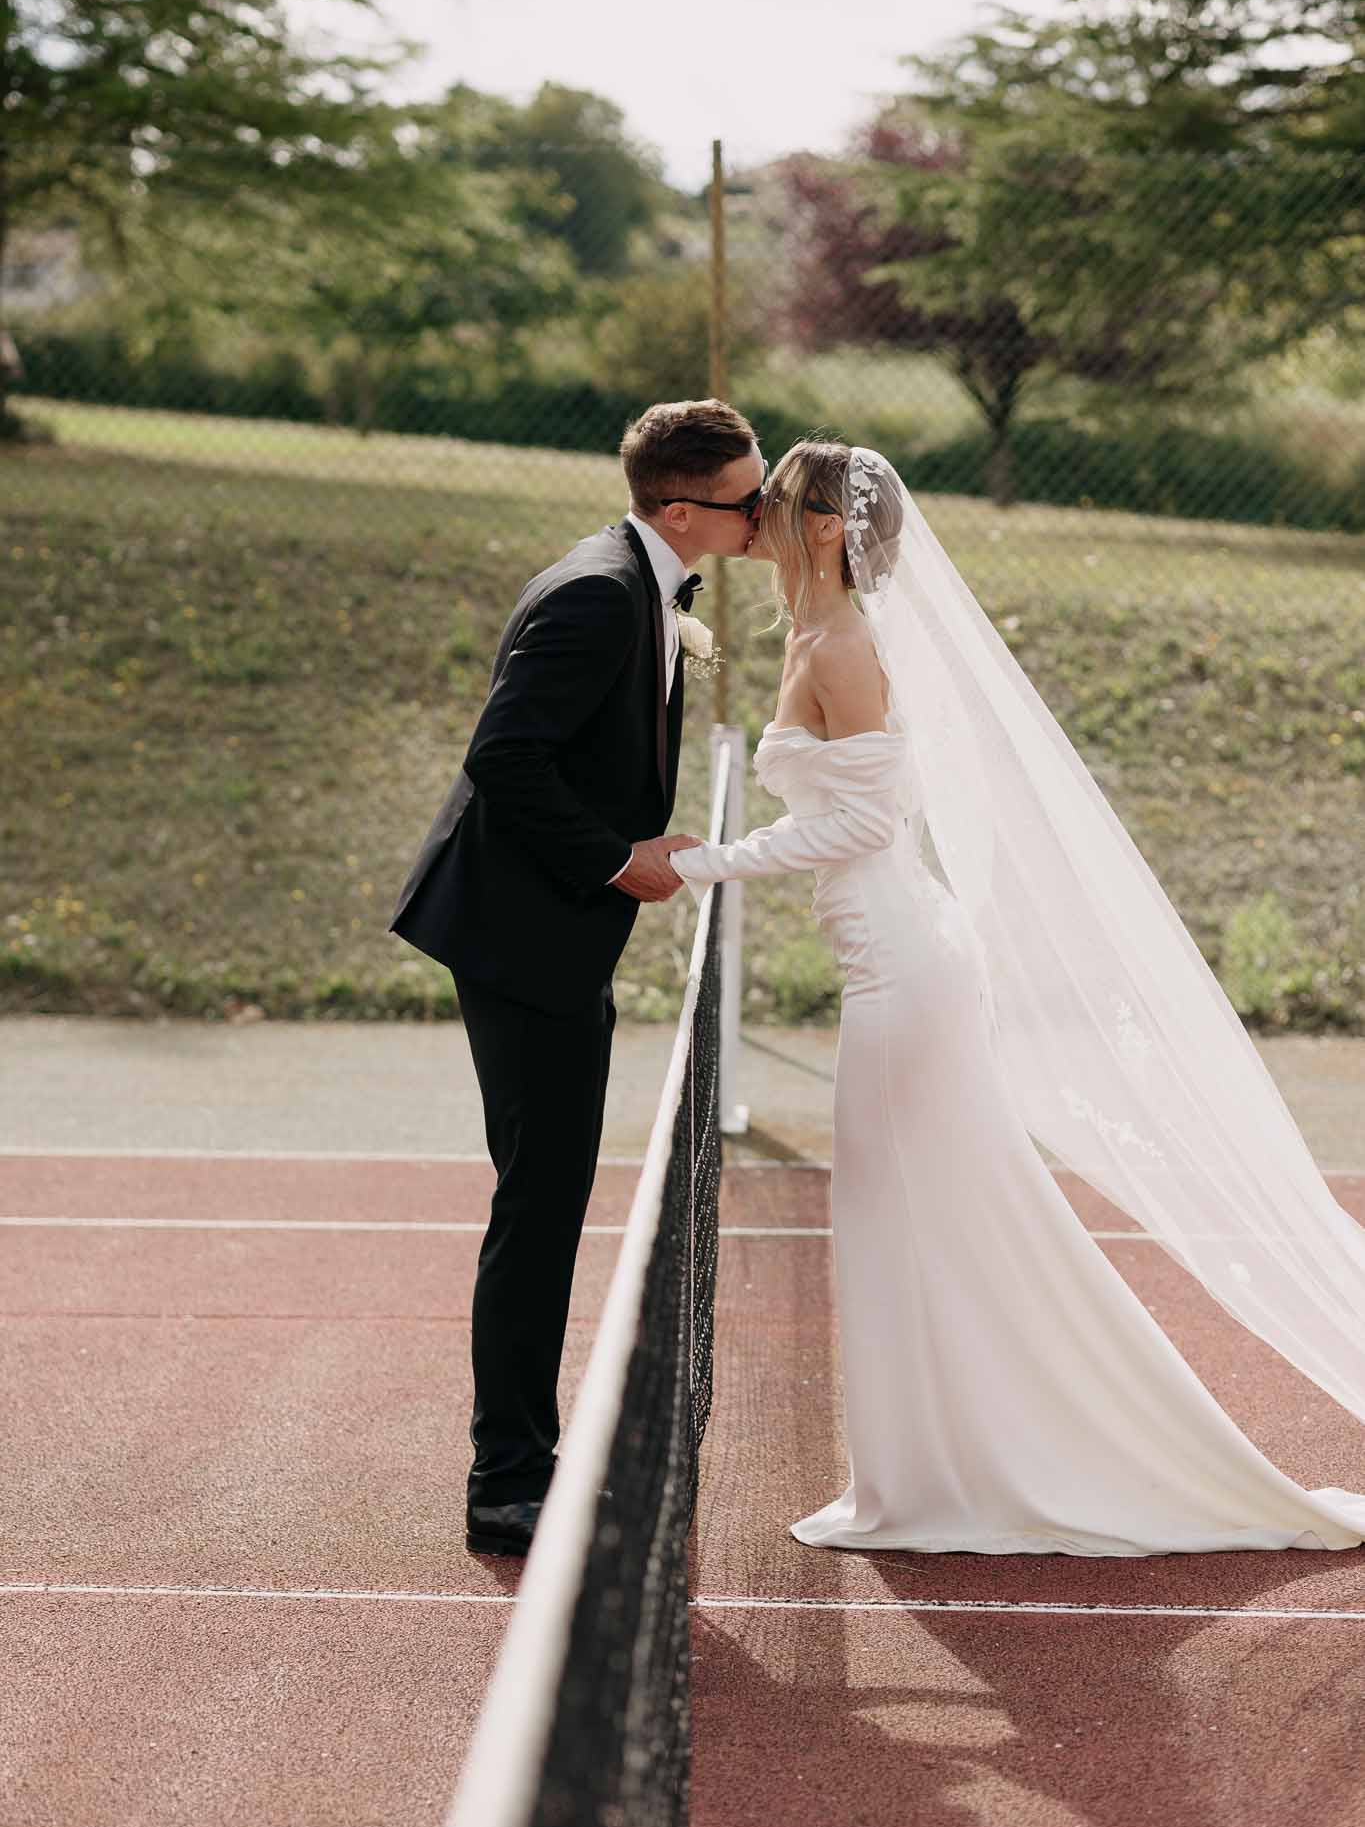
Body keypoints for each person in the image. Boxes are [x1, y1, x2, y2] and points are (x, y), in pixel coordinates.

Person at [670, 441, 1365, 1555]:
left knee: (919, 1212)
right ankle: (925, 1467)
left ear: (826, 529)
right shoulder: (813, 632)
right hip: (891, 958)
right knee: (920, 1216)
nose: (755, 515)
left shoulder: (843, 644)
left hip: (903, 970)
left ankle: (959, 1472)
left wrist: (698, 862)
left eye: (778, 502)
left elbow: (863, 825)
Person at [390, 399, 764, 1556]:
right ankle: (508, 1479)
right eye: (750, 503)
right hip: (519, 937)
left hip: (553, 933)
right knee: (539, 1202)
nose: (763, 518)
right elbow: (503, 755)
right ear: (684, 507)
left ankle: (528, 1453)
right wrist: (614, 860)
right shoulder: (602, 592)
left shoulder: (644, 582)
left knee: (547, 1193)